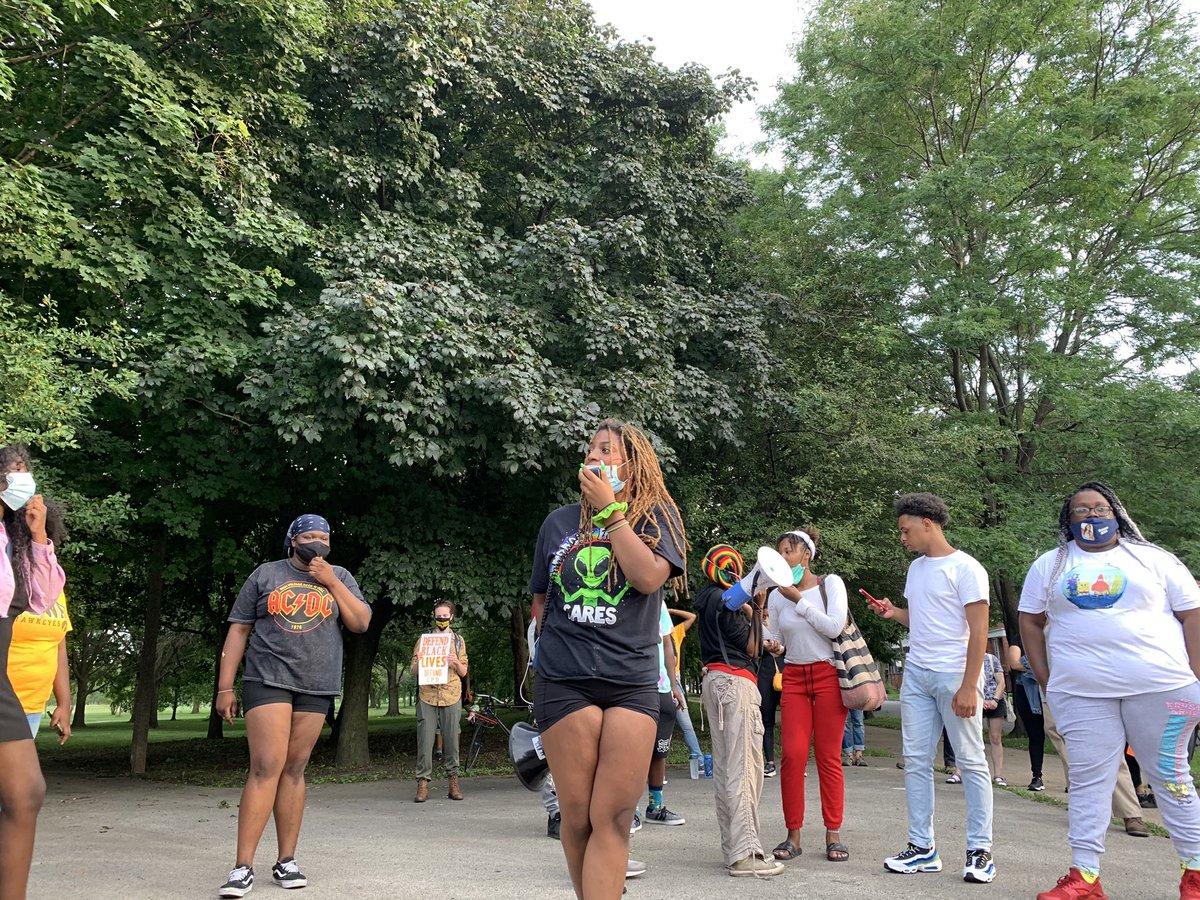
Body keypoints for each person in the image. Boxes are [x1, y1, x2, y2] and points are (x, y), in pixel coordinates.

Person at [1019, 482, 1200, 899]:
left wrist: (1196, 675)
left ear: (1117, 513)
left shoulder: (1154, 559)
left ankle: (1194, 873)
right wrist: (1049, 681)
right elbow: (1030, 621)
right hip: (1082, 695)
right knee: (1087, 780)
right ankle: (1084, 877)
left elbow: (1192, 615)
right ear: (1068, 521)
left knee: (1171, 778)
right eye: (1080, 511)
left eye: (1099, 508)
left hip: (1164, 690)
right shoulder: (1050, 564)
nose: (1091, 516)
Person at [529, 420, 686, 900]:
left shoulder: (658, 517)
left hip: (632, 681)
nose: (595, 457)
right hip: (564, 680)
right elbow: (540, 599)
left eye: (607, 450)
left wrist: (612, 515)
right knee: (576, 816)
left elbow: (647, 579)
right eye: (590, 449)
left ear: (633, 464)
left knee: (613, 815)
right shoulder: (557, 523)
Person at [216, 514, 372, 898]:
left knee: (295, 768)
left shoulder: (341, 577)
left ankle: (286, 860)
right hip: (267, 678)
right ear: (292, 540)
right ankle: (242, 867)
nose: (317, 542)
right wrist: (224, 687)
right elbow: (238, 629)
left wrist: (331, 580)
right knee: (266, 765)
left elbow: (360, 623)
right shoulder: (265, 575)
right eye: (309, 536)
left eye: (324, 537)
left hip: (316, 685)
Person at [871, 492, 995, 884]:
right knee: (916, 762)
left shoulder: (967, 568)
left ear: (928, 523)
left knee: (971, 761)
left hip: (954, 676)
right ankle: (923, 848)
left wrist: (969, 686)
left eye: (906, 530)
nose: (902, 537)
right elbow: (924, 621)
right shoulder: (916, 570)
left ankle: (980, 852)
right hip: (918, 675)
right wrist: (894, 613)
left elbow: (978, 632)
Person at [0, 445, 66, 900]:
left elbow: (44, 600)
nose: (19, 482)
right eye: (9, 473)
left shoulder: (15, 542)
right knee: (25, 792)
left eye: (25, 475)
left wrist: (38, 535)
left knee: (25, 794)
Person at [694, 544, 784, 877]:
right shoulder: (727, 602)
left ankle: (734, 850)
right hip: (735, 684)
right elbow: (752, 647)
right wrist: (758, 610)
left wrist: (752, 612)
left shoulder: (708, 599)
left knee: (727, 769)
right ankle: (747, 855)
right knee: (745, 769)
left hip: (715, 682)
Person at [767, 527, 850, 864]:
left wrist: (799, 601)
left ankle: (833, 834)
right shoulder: (774, 594)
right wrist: (771, 641)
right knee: (793, 756)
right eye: (779, 551)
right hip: (795, 676)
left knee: (829, 758)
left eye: (789, 550)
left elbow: (834, 627)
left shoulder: (829, 584)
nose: (783, 557)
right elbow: (776, 637)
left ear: (806, 554)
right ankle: (793, 835)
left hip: (828, 674)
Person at [8, 500, 71, 742]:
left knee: (19, 780)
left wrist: (65, 704)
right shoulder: (7, 578)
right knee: (23, 781)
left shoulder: (52, 583)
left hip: (32, 707)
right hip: (6, 704)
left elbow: (58, 647)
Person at [410, 600, 469, 802]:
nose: (441, 620)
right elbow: (413, 670)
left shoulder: (458, 641)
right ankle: (423, 783)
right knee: (425, 740)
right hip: (427, 694)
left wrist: (455, 662)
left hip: (451, 694)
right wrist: (420, 660)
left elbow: (464, 671)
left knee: (452, 740)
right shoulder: (424, 640)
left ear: (451, 617)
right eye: (438, 616)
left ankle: (453, 782)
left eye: (445, 616)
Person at [641, 600, 687, 827]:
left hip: (662, 689)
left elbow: (667, 645)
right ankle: (625, 810)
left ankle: (655, 807)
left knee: (659, 751)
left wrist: (673, 685)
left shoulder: (658, 602)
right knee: (632, 752)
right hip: (635, 688)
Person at [1006, 634, 1046, 792]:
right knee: (1036, 735)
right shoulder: (1020, 638)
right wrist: (1040, 665)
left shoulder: (1054, 632)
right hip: (1027, 692)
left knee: (1061, 736)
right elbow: (1014, 663)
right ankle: (1037, 776)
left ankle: (1072, 780)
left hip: (1050, 690)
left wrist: (1028, 662)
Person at [667, 606, 704, 763]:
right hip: (660, 681)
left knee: (686, 725)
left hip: (675, 681)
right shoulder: (652, 634)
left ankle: (698, 759)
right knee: (662, 726)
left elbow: (692, 617)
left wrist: (671, 611)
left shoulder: (676, 632)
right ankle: (656, 764)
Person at [982, 647, 1007, 786]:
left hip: (994, 701)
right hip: (976, 701)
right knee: (970, 737)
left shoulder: (992, 659)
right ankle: (959, 772)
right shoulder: (964, 658)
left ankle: (998, 774)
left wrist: (995, 700)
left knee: (996, 737)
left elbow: (1001, 682)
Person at [757, 642, 782, 778]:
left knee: (793, 721)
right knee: (766, 720)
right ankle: (770, 763)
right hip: (764, 673)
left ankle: (798, 763)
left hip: (786, 670)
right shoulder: (756, 624)